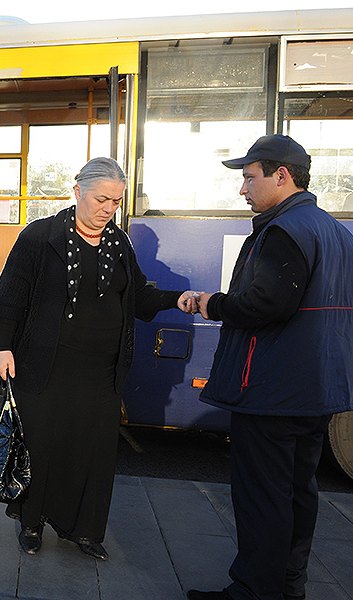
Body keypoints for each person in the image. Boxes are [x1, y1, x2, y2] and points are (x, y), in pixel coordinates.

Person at [0, 157, 197, 559]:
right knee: (41, 445)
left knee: (93, 451)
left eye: (115, 202)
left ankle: (83, 530)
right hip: (45, 365)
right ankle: (31, 524)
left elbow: (139, 296)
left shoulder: (118, 243)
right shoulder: (41, 236)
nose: (108, 208)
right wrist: (3, 347)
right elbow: (9, 295)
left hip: (102, 371)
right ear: (77, 191)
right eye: (101, 199)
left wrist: (179, 299)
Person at [186, 135, 353, 600]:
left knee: (264, 498)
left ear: (281, 175)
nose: (243, 189)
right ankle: (287, 587)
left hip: (272, 390)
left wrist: (211, 303)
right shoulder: (334, 230)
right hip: (315, 389)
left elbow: (267, 303)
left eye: (248, 177)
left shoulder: (284, 230)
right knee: (299, 494)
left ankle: (255, 591)